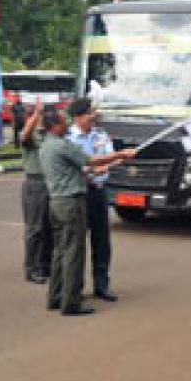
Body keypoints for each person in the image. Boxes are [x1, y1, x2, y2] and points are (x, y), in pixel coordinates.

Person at [39, 109, 135, 316]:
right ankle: (71, 301)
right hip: (71, 201)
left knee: (60, 251)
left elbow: (77, 169)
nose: (66, 125)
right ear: (55, 125)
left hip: (56, 201)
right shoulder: (63, 145)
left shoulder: (46, 145)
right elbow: (90, 160)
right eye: (63, 121)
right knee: (74, 252)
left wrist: (93, 170)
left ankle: (55, 296)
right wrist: (120, 154)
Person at [66, 98, 117, 301]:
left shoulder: (100, 134)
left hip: (99, 191)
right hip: (79, 194)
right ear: (77, 117)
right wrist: (92, 168)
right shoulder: (68, 138)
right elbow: (71, 166)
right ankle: (75, 287)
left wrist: (106, 165)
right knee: (76, 243)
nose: (93, 116)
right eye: (89, 113)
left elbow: (110, 156)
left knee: (102, 241)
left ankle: (102, 284)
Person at [21, 99, 52, 284]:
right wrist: (36, 114)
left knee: (48, 228)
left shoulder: (47, 135)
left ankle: (45, 265)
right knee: (35, 228)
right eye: (33, 114)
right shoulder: (28, 136)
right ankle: (32, 268)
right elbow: (25, 135)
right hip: (35, 184)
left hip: (50, 183)